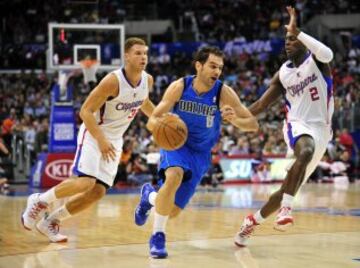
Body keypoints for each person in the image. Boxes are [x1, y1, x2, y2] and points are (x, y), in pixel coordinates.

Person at [21, 37, 155, 242]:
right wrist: (101, 139)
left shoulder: (148, 80)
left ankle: (51, 221)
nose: (143, 57)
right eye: (138, 53)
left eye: (145, 53)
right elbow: (85, 111)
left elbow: (143, 102)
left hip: (115, 140)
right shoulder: (112, 81)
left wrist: (161, 118)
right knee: (85, 182)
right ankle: (39, 200)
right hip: (94, 133)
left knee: (97, 192)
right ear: (126, 56)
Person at [134, 46, 259, 258]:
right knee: (174, 176)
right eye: (212, 66)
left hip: (201, 154)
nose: (217, 71)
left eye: (220, 68)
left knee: (171, 210)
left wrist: (234, 119)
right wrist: (164, 126)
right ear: (199, 66)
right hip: (177, 145)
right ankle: (157, 237)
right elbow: (153, 119)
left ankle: (149, 196)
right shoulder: (180, 86)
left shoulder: (223, 92)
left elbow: (253, 124)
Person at [234, 6, 334, 246]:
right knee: (305, 151)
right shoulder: (283, 74)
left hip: (322, 131)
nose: (287, 43)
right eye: (285, 40)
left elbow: (328, 53)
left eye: (292, 39)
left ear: (302, 40)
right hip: (297, 126)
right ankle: (287, 210)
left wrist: (297, 31)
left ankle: (252, 221)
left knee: (286, 189)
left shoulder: (318, 62)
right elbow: (260, 104)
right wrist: (235, 115)